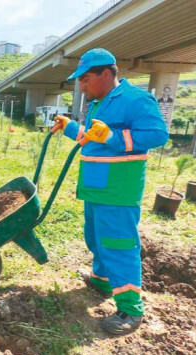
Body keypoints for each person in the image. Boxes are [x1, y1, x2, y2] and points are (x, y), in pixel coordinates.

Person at [53, 48, 169, 335]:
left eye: (85, 79)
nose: (81, 86)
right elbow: (92, 139)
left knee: (118, 245)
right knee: (95, 238)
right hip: (95, 188)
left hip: (117, 191)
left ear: (107, 73)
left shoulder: (135, 99)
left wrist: (115, 137)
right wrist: (70, 127)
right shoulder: (99, 103)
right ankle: (102, 280)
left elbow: (157, 134)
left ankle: (130, 310)